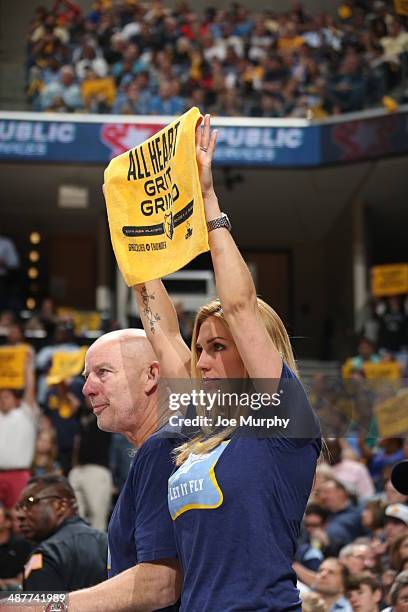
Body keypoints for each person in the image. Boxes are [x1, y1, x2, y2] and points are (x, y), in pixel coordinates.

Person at [133, 114, 321, 611]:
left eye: (219, 347)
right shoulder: (196, 420)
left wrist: (208, 199)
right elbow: (162, 331)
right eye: (201, 348)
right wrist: (137, 247)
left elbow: (238, 305)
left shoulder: (280, 418)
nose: (203, 359)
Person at [68, 329, 180, 611]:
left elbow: (160, 583)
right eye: (86, 377)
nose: (87, 388)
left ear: (151, 375)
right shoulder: (154, 449)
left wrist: (48, 605)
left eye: (102, 372)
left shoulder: (163, 448)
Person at [16, 475, 107, 591]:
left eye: (30, 502)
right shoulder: (108, 542)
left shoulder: (46, 555)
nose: (20, 515)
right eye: (19, 507)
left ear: (61, 506)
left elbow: (40, 608)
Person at [0, 350, 39, 508]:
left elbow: (30, 389)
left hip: (19, 474)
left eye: (6, 397)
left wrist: (27, 366)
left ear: (16, 400)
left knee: (20, 516)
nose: (2, 400)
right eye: (0, 397)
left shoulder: (25, 413)